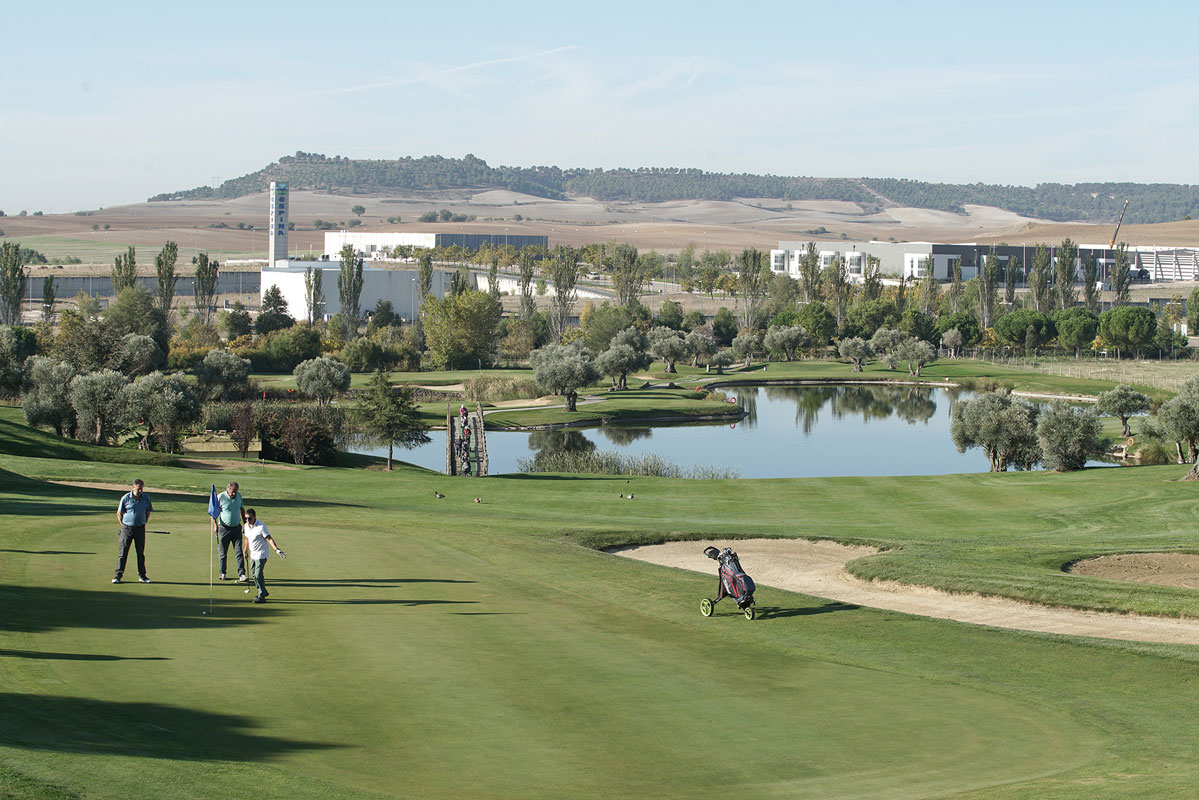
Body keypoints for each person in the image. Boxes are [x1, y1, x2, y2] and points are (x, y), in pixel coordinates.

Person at [240, 508, 284, 603]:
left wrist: (276, 549)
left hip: (262, 554)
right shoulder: (246, 526)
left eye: (249, 518)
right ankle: (263, 591)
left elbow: (269, 538)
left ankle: (261, 595)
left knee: (258, 574)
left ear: (255, 517)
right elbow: (247, 539)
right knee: (253, 574)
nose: (247, 520)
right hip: (253, 554)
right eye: (246, 519)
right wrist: (245, 550)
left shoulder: (261, 526)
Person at [113, 479, 153, 584]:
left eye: (142, 489)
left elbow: (148, 512)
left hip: (140, 528)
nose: (140, 491)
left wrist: (143, 523)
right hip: (127, 528)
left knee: (140, 553)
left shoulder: (146, 498)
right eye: (139, 489)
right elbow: (119, 513)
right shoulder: (126, 498)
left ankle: (142, 576)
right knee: (123, 553)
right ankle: (118, 576)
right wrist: (123, 526)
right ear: (133, 487)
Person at [214, 481, 248, 582]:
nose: (234, 494)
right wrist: (215, 525)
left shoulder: (239, 496)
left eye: (236, 492)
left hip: (237, 528)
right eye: (233, 492)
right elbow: (213, 512)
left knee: (238, 552)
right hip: (224, 528)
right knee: (223, 553)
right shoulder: (221, 497)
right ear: (228, 490)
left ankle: (242, 574)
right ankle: (222, 573)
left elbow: (242, 509)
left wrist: (245, 524)